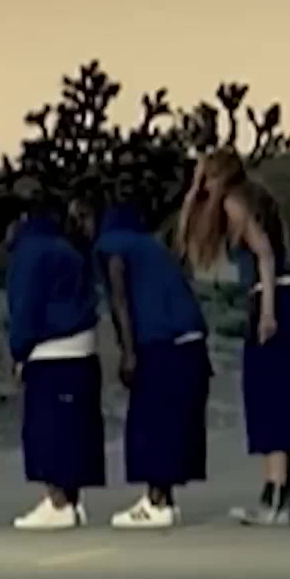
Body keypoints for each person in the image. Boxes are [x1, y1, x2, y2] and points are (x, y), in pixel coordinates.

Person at [180, 148, 290, 526]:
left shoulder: (234, 202)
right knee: (287, 398)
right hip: (289, 299)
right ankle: (285, 494)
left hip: (274, 299)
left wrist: (268, 312)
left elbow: (265, 255)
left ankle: (273, 495)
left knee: (271, 400)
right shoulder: (256, 197)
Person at [79, 195, 212, 529]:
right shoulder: (149, 245)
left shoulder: (112, 245)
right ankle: (164, 498)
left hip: (161, 340)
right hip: (190, 337)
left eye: (83, 218)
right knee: (172, 422)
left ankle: (157, 501)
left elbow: (120, 299)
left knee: (151, 422)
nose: (81, 227)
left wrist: (128, 351)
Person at [0, 194, 106, 530]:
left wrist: (18, 352)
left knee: (47, 430)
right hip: (84, 345)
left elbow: (25, 308)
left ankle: (58, 503)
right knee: (74, 430)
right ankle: (72, 502)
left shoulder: (29, 253)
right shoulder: (66, 246)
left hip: (51, 350)